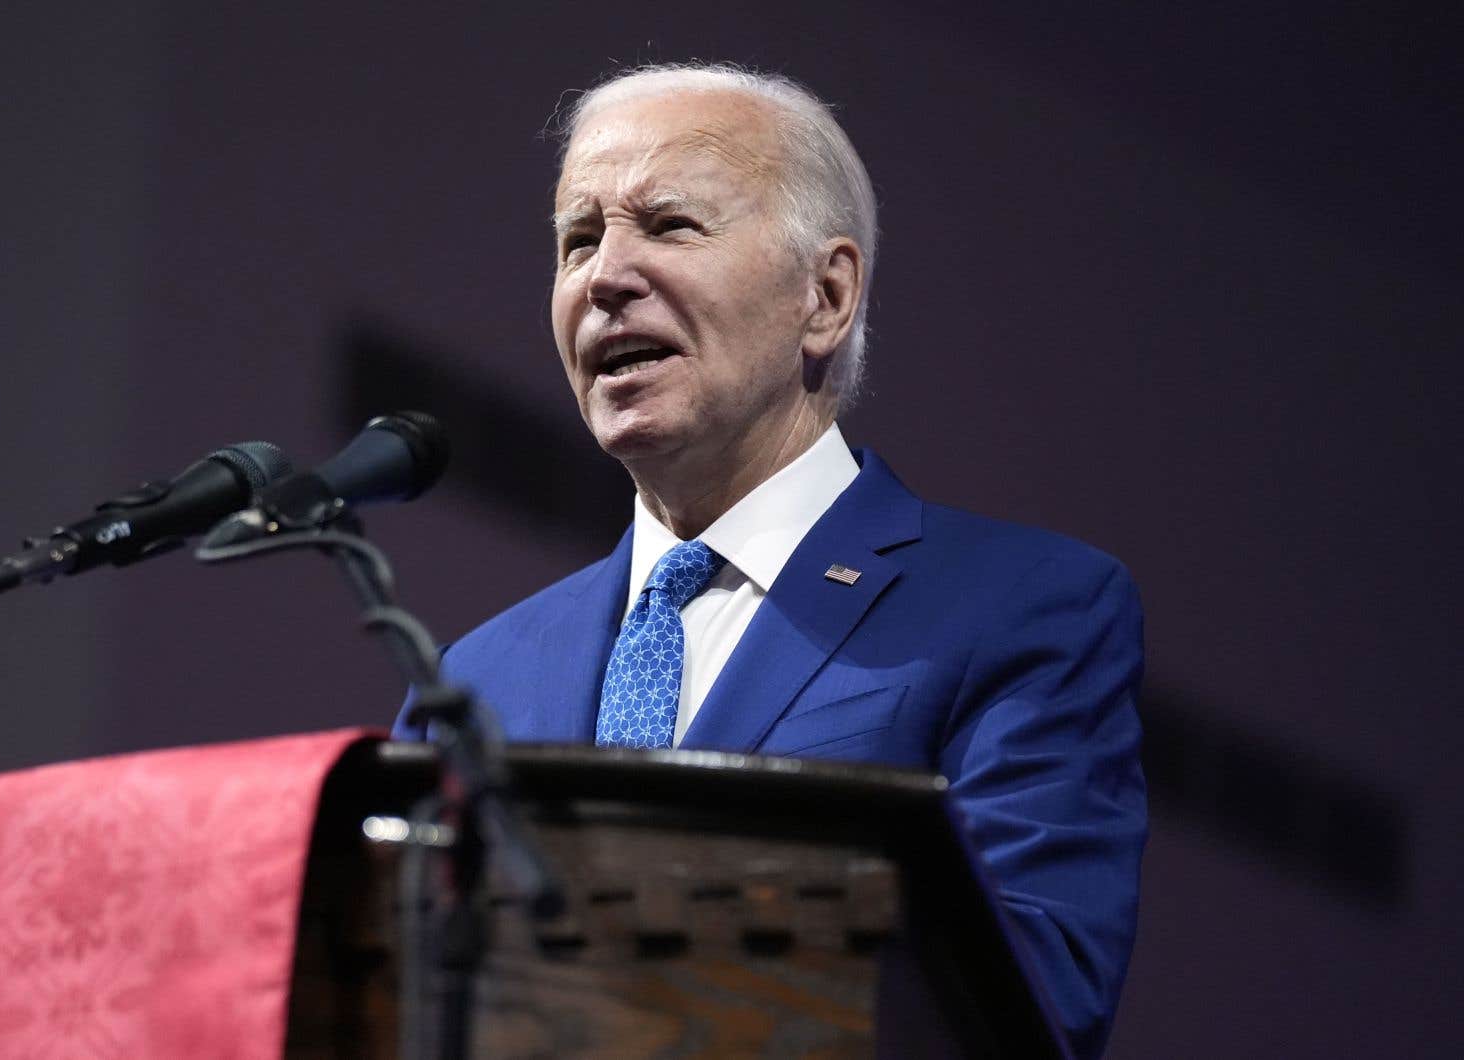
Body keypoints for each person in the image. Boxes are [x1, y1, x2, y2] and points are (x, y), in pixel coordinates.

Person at [397, 62, 1145, 1058]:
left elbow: (1033, 996)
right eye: (579, 240)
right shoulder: (474, 679)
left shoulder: (1025, 609)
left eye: (668, 225)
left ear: (826, 296)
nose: (604, 276)